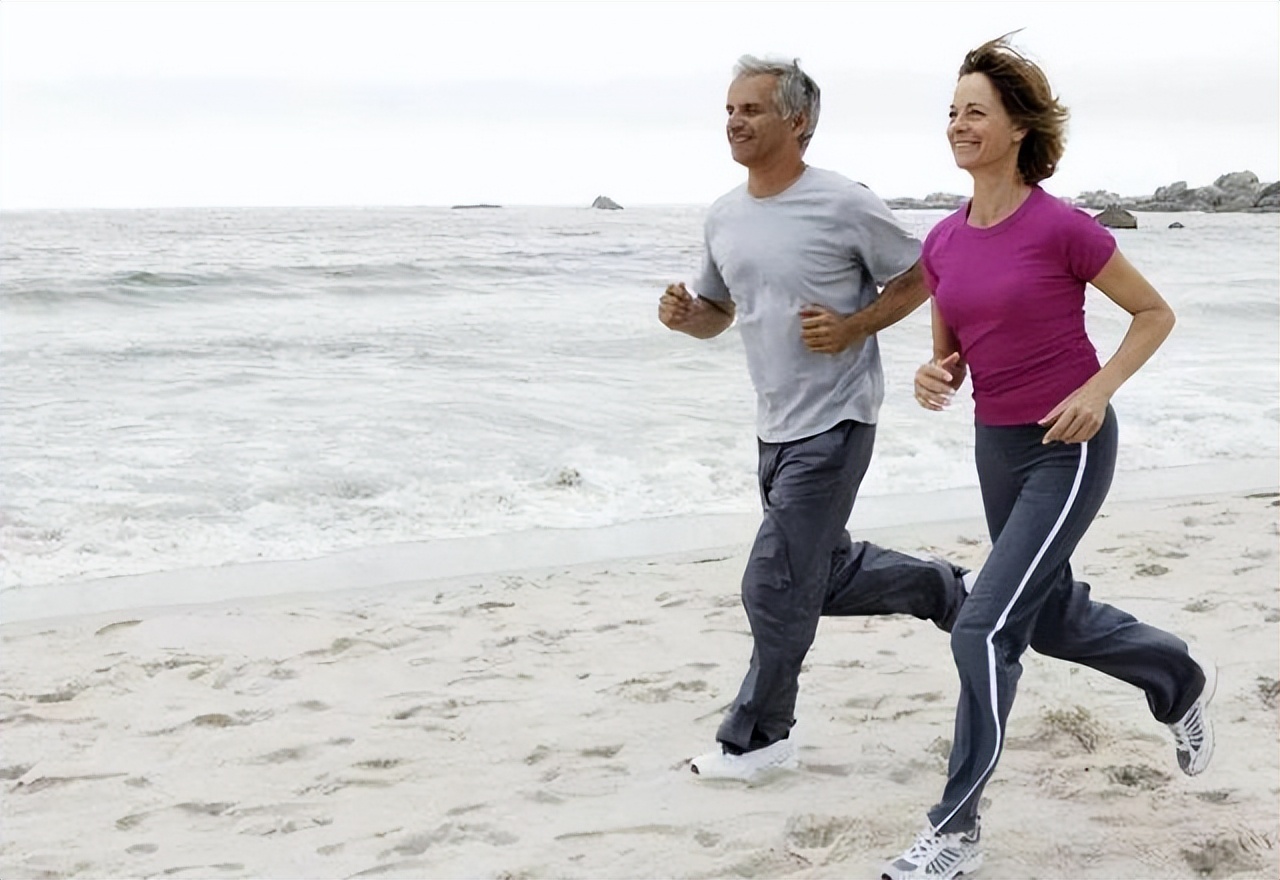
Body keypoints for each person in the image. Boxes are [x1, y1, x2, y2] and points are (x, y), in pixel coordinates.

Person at [881, 36, 1215, 880]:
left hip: (1066, 447)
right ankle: (1177, 677)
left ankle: (955, 829)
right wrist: (933, 374)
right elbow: (955, 352)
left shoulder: (1061, 225)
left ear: (1019, 127)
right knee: (1052, 614)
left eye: (975, 112)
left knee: (982, 627)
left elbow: (1153, 314)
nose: (958, 125)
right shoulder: (944, 241)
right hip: (996, 445)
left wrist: (1098, 392)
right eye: (952, 111)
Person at [659, 55, 971, 783]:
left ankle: (760, 738)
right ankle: (941, 589)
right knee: (811, 575)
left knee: (771, 583)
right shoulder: (724, 215)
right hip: (772, 427)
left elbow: (928, 270)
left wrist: (857, 326)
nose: (735, 121)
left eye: (752, 110)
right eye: (730, 110)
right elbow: (719, 314)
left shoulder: (843, 203)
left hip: (838, 420)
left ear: (797, 123)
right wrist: (685, 318)